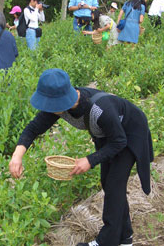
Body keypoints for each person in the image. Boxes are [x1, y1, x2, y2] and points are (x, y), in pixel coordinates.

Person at [9, 69, 154, 246]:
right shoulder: (58, 108)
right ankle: (125, 238)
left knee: (114, 185)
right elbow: (34, 128)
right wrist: (17, 156)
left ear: (61, 101)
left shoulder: (100, 109)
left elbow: (119, 141)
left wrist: (90, 160)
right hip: (106, 136)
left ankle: (106, 242)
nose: (47, 109)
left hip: (128, 133)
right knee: (108, 183)